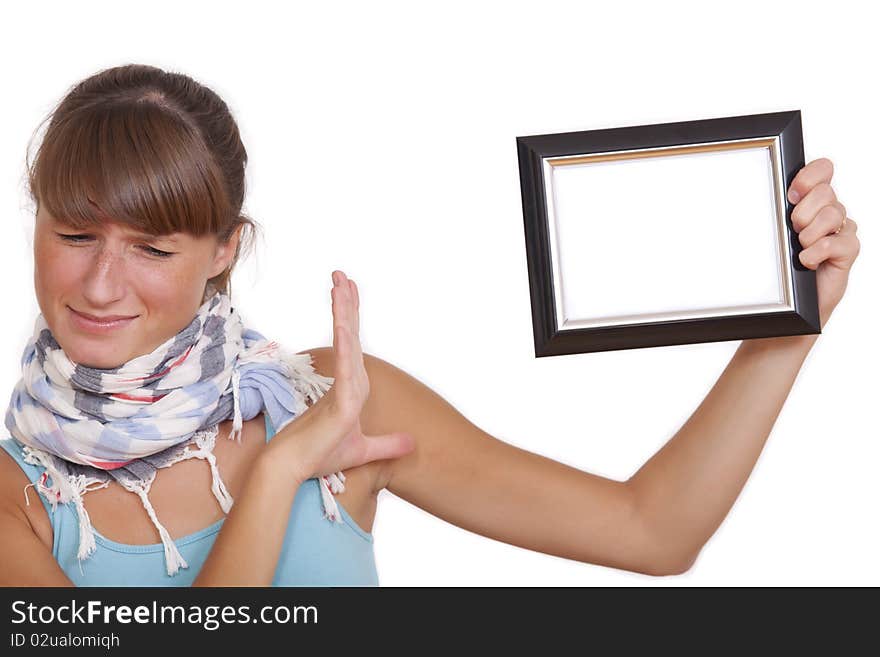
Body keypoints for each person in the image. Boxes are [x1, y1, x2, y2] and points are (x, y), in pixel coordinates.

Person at [0, 64, 862, 587]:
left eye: (151, 246)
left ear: (226, 249)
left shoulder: (340, 399)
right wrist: (280, 472)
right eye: (73, 234)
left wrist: (787, 329)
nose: (101, 284)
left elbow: (652, 528)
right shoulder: (16, 494)